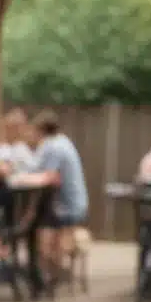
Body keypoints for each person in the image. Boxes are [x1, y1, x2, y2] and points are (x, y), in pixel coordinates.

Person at [28, 109, 89, 280]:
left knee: (36, 223)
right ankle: (48, 271)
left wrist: (19, 177)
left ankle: (47, 273)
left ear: (40, 130)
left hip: (66, 208)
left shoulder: (52, 146)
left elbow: (49, 177)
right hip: (78, 205)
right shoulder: (63, 142)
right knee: (37, 218)